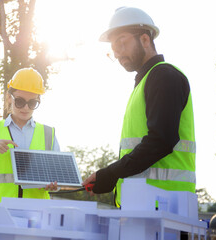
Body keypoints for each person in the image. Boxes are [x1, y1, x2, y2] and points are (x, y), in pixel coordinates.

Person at [82, 6, 196, 210]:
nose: (117, 54)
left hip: (165, 209)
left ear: (144, 39)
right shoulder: (145, 82)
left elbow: (160, 141)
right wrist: (109, 178)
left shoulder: (164, 77)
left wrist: (110, 173)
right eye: (113, 49)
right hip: (145, 207)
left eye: (121, 43)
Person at [0, 67, 60, 204]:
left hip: (34, 215)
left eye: (32, 103)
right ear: (9, 98)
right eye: (20, 101)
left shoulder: (48, 134)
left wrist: (54, 186)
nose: (26, 108)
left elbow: (57, 178)